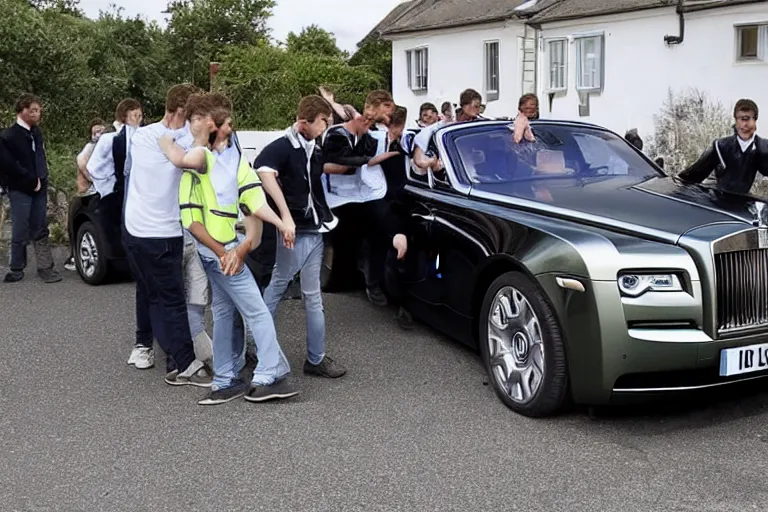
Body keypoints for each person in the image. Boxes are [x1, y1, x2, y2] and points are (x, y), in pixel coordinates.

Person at [170, 93, 297, 405]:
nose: (232, 127)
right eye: (227, 124)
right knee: (257, 310)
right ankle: (271, 374)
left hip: (225, 251)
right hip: (219, 253)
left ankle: (226, 379)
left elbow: (254, 199)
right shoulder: (197, 165)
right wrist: (224, 252)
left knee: (225, 312)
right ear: (215, 127)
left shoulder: (234, 159)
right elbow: (191, 222)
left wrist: (282, 223)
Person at [122, 83, 211, 387]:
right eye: (198, 114)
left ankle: (168, 357)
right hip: (154, 232)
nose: (201, 121)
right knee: (170, 298)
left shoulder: (146, 135)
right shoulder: (159, 137)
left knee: (156, 295)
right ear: (183, 112)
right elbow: (190, 161)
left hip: (150, 230)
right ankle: (185, 364)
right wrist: (199, 137)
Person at [256, 95, 347, 379]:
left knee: (312, 295)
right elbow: (263, 170)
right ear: (304, 121)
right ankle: (257, 347)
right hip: (295, 230)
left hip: (316, 228)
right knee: (279, 284)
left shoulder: (313, 147)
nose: (326, 126)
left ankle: (316, 358)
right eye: (323, 121)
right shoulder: (284, 146)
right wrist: (284, 216)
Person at [322, 90, 408, 306]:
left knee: (378, 230)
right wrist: (365, 160)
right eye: (388, 108)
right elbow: (339, 162)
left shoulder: (377, 132)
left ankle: (373, 281)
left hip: (366, 193)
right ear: (377, 107)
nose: (391, 113)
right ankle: (345, 281)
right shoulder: (343, 132)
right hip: (341, 195)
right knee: (345, 237)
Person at [0, 93, 61, 284]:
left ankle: (46, 267)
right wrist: (30, 180)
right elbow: (9, 165)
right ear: (22, 111)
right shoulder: (8, 136)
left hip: (40, 187)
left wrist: (42, 178)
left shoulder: (36, 132)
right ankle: (16, 268)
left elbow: (40, 157)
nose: (37, 114)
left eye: (38, 110)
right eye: (33, 110)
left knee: (40, 226)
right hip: (20, 188)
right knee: (20, 228)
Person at [678, 99, 768, 195]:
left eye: (749, 119)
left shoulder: (762, 148)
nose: (745, 125)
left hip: (741, 203)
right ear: (736, 121)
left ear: (755, 121)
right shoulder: (720, 146)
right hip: (718, 201)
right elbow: (693, 175)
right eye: (741, 119)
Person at [65, 118, 106, 271]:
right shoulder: (89, 147)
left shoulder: (106, 146)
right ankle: (74, 256)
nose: (98, 134)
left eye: (101, 130)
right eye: (95, 131)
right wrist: (93, 179)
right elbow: (81, 162)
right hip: (87, 192)